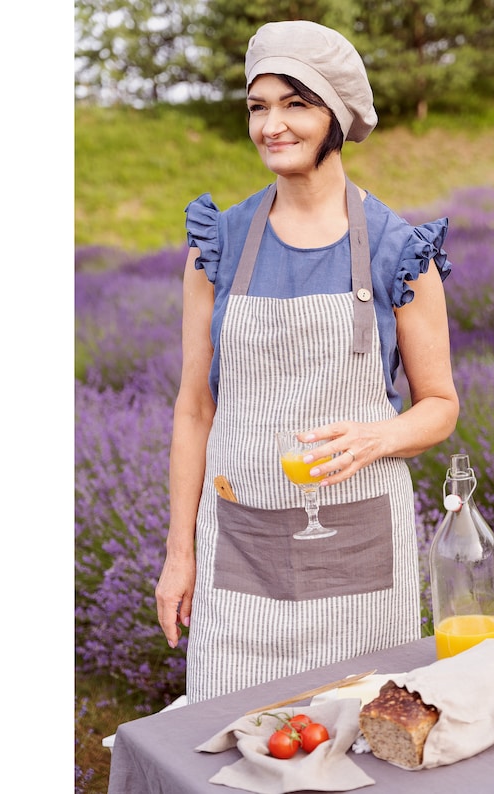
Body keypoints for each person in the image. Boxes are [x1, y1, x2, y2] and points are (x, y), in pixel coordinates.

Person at [155, 19, 459, 703]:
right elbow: (193, 408)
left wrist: (378, 436)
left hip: (358, 564)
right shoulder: (218, 246)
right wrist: (180, 554)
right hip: (240, 558)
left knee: (360, 743)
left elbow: (440, 404)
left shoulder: (397, 249)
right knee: (226, 742)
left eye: (296, 104)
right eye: (258, 107)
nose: (272, 125)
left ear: (337, 116)